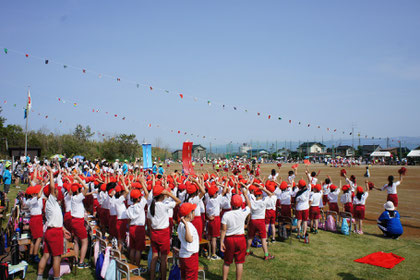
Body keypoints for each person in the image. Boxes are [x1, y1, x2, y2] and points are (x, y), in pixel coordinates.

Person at [37, 166, 70, 280]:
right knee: (57, 258)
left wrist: (63, 229)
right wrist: (51, 173)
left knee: (46, 255)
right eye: (55, 190)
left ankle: (40, 276)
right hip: (55, 233)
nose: (57, 191)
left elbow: (57, 220)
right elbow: (51, 187)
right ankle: (56, 278)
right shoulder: (51, 201)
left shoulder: (52, 203)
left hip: (52, 231)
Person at [147, 185, 181, 280]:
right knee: (163, 258)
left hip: (154, 232)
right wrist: (169, 194)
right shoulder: (164, 206)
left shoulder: (150, 206)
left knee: (154, 256)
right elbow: (179, 201)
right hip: (163, 233)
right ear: (162, 195)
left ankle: (152, 277)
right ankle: (163, 278)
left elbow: (149, 221)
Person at [220, 189, 251, 280]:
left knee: (227, 262)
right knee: (239, 262)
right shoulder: (243, 212)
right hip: (240, 238)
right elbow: (249, 206)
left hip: (229, 239)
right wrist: (245, 195)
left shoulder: (226, 215)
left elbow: (223, 230)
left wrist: (222, 241)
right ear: (241, 204)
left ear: (231, 204)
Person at [126, 182, 148, 272]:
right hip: (139, 228)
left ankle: (131, 264)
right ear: (139, 198)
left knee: (132, 247)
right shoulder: (140, 205)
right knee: (138, 249)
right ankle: (137, 267)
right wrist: (143, 183)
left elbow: (128, 220)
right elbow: (147, 194)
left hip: (132, 227)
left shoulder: (129, 208)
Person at [70, 176, 89, 268]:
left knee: (76, 241)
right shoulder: (77, 198)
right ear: (77, 190)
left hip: (74, 220)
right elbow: (87, 188)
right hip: (78, 221)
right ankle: (81, 262)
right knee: (85, 241)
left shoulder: (73, 197)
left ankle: (76, 259)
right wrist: (78, 179)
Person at [178, 203, 200, 280]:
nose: (194, 213)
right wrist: (186, 225)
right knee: (191, 277)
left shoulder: (181, 224)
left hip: (184, 255)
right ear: (188, 214)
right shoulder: (187, 225)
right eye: (193, 211)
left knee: (184, 277)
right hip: (190, 256)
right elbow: (189, 239)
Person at [26, 185, 44, 263]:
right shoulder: (32, 200)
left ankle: (31, 254)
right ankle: (35, 255)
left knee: (34, 238)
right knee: (39, 238)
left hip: (35, 218)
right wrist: (42, 187)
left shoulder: (29, 201)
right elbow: (39, 196)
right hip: (36, 219)